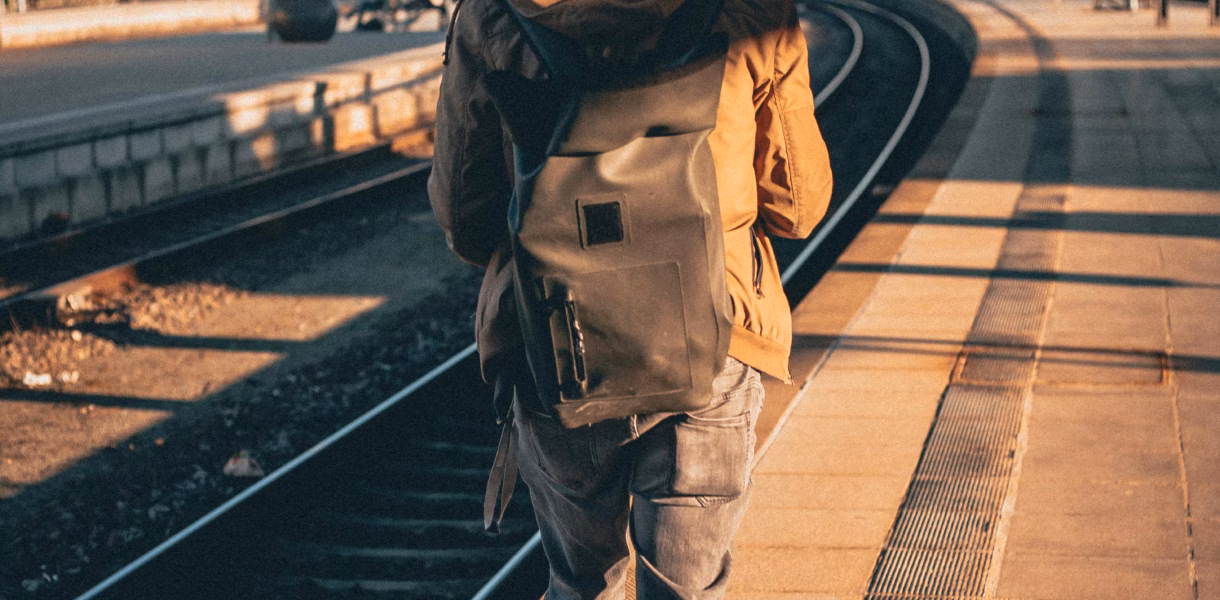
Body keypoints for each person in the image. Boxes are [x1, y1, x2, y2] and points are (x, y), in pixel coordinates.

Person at [427, 0, 833, 597]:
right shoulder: (753, 11)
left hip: (559, 346)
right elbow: (796, 206)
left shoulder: (491, 17)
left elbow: (466, 220)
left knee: (580, 584)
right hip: (713, 340)